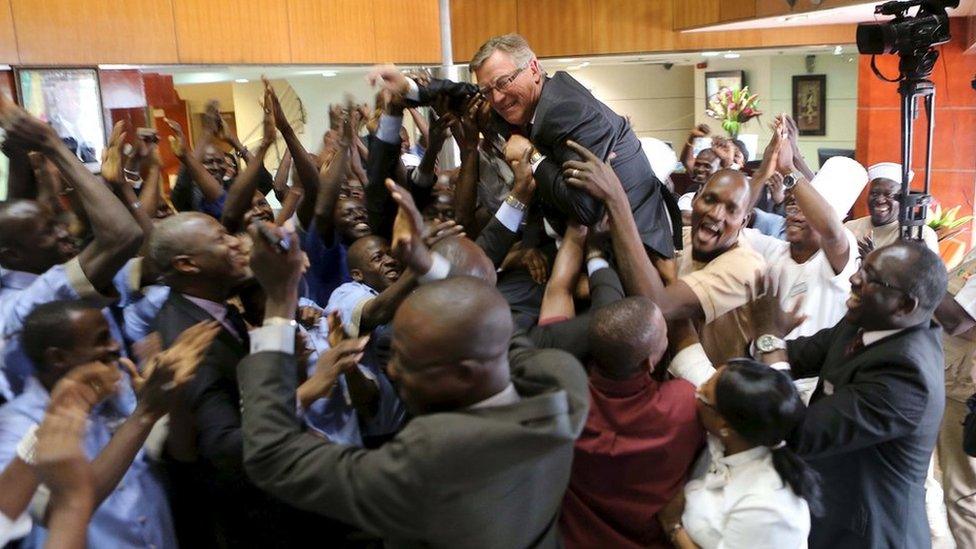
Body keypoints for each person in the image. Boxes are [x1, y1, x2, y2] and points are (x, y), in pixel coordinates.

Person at [238, 218, 589, 547]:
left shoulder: (428, 463)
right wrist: (426, 266)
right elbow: (494, 328)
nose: (392, 371)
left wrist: (279, 303)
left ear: (465, 373)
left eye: (408, 362)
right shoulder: (560, 380)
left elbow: (272, 454)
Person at [370, 33, 677, 258]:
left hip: (634, 246)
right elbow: (466, 94)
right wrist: (409, 87)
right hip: (578, 238)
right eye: (488, 90)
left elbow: (585, 207)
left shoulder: (565, 111)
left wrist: (533, 158)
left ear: (533, 68)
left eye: (504, 83)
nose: (498, 98)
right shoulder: (525, 102)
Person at [148, 212, 333, 547]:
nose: (236, 242)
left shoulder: (217, 309)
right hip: (255, 519)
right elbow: (225, 446)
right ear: (187, 264)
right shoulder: (190, 340)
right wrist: (299, 420)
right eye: (221, 238)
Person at [748, 241, 948, 548]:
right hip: (830, 503)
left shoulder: (908, 377)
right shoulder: (868, 319)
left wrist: (769, 338)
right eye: (861, 266)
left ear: (905, 305)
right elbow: (802, 355)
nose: (855, 279)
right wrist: (767, 342)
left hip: (868, 532)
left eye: (871, 277)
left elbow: (800, 432)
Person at [0, 301, 216, 548]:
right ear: (58, 357)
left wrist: (173, 392)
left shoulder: (118, 391)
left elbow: (181, 451)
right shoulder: (15, 425)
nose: (114, 346)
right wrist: (145, 413)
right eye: (101, 339)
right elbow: (56, 511)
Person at [562, 140, 764, 364]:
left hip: (715, 387)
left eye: (731, 209)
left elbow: (656, 308)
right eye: (710, 199)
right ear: (695, 200)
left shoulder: (746, 265)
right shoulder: (683, 239)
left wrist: (616, 199)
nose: (717, 214)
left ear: (744, 222)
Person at [0, 97, 143, 401]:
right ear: (13, 256)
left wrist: (18, 156)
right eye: (49, 231)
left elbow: (15, 219)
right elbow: (123, 235)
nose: (65, 231)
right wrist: (50, 143)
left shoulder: (17, 269)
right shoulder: (27, 304)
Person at [559, 296, 704, 548]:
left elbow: (554, 317)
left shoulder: (564, 402)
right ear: (649, 363)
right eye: (664, 336)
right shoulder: (682, 406)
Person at [743, 144, 865, 401]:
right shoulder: (774, 250)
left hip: (812, 386)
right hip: (766, 369)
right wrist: (765, 169)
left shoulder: (838, 258)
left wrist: (789, 168)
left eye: (804, 209)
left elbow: (832, 229)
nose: (794, 215)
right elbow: (734, 220)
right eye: (791, 206)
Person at [660, 352, 818, 549]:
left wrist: (673, 527)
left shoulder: (767, 508)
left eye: (704, 395)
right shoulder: (730, 436)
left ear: (724, 425)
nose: (696, 392)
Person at [933, 248, 976, 546]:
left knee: (963, 493)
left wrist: (923, 273)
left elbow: (959, 320)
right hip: (954, 378)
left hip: (963, 387)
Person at [844, 162, 939, 255]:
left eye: (889, 194)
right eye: (874, 193)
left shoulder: (918, 234)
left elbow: (928, 270)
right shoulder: (850, 228)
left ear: (902, 199)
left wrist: (874, 260)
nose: (880, 200)